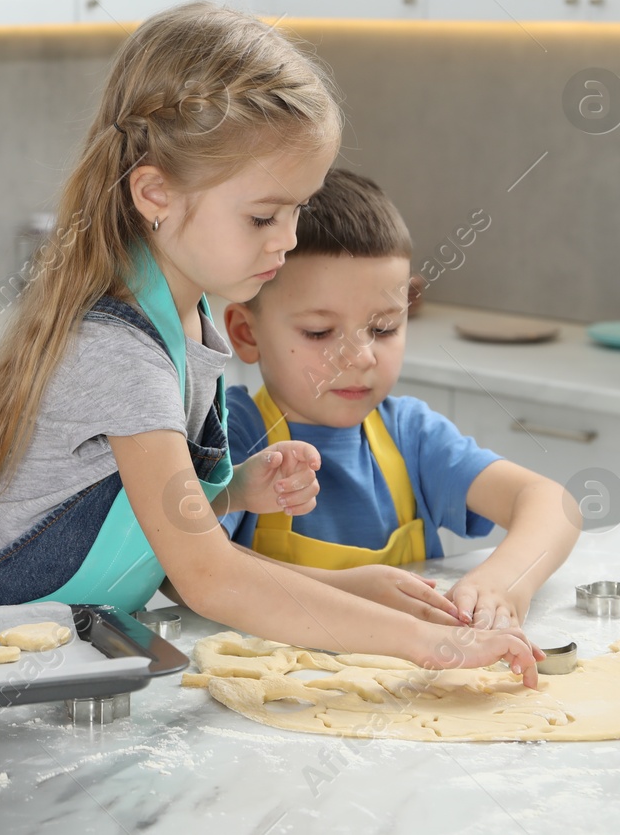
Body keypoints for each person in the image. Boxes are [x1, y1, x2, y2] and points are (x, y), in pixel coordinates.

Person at [0, 2, 541, 683]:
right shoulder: (120, 349)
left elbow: (148, 521)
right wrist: (426, 644)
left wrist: (237, 494)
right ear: (155, 192)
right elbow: (207, 578)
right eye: (263, 215)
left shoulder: (190, 322)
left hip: (44, 643)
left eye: (297, 208)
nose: (288, 238)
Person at [220, 168, 580, 629]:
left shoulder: (410, 435)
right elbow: (198, 568)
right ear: (246, 334)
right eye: (319, 331)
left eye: (384, 327)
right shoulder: (235, 435)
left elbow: (553, 504)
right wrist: (349, 593)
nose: (361, 357)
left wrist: (504, 582)